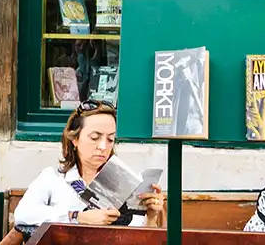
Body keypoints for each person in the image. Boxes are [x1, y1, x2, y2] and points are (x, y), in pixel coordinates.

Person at [12, 100, 165, 237]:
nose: (103, 146)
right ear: (75, 139)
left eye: (110, 139)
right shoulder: (53, 178)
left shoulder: (125, 183)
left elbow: (138, 238)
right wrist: (76, 217)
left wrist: (151, 217)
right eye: (94, 138)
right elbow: (23, 213)